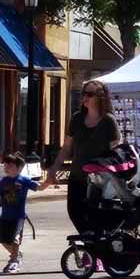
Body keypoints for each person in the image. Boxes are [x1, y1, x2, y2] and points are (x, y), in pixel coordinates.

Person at [41, 80, 122, 239]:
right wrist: (53, 170)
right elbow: (66, 147)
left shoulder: (108, 121)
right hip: (77, 175)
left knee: (94, 217)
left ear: (100, 97)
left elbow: (116, 151)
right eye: (83, 93)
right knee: (74, 213)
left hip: (99, 180)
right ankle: (91, 247)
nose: (85, 97)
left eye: (89, 94)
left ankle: (96, 251)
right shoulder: (77, 119)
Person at [0, 152, 41, 274]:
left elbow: (39, 187)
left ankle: (14, 262)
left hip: (18, 217)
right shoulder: (3, 181)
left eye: (9, 166)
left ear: (18, 168)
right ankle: (16, 254)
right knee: (3, 240)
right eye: (5, 166)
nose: (6, 168)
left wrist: (49, 181)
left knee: (15, 239)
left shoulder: (24, 180)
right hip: (5, 216)